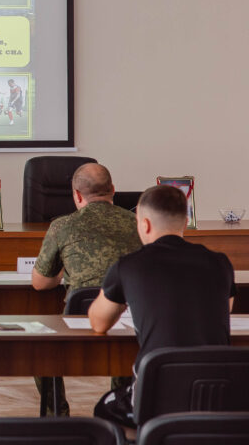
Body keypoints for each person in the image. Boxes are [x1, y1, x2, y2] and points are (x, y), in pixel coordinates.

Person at [88, 184, 236, 428]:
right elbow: (225, 309)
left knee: (105, 407)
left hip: (156, 393)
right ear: (185, 222)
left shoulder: (129, 265)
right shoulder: (221, 263)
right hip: (218, 392)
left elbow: (98, 322)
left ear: (144, 224)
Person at [31, 163, 141, 416]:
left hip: (79, 324)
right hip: (131, 323)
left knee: (38, 349)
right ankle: (121, 405)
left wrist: (64, 271)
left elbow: (40, 283)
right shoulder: (137, 222)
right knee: (125, 341)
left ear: (77, 195)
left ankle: (58, 416)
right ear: (113, 190)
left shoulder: (62, 225)